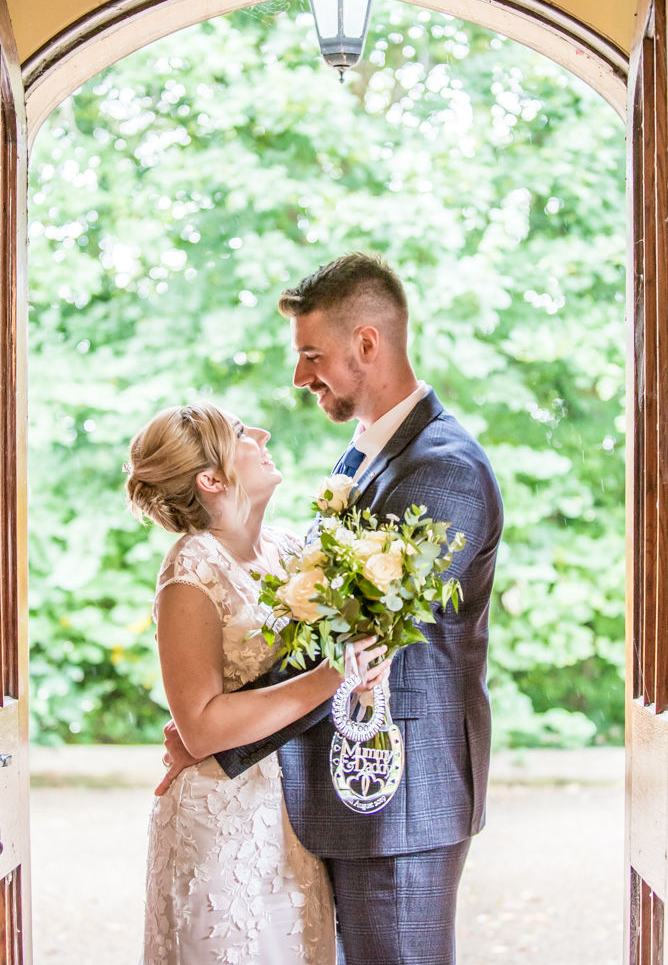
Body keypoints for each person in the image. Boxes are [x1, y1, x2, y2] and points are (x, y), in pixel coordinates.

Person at [159, 253, 504, 965]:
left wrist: (217, 734)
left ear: (367, 344)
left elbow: (364, 645)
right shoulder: (364, 458)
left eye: (312, 355)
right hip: (344, 800)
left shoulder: (442, 468)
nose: (299, 377)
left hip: (399, 801)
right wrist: (207, 717)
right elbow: (323, 629)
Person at [124, 400, 390, 965]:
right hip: (221, 821)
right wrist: (331, 676)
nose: (263, 432)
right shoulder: (191, 572)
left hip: (294, 821)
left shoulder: (291, 551)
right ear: (211, 479)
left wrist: (362, 676)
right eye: (243, 432)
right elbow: (199, 728)